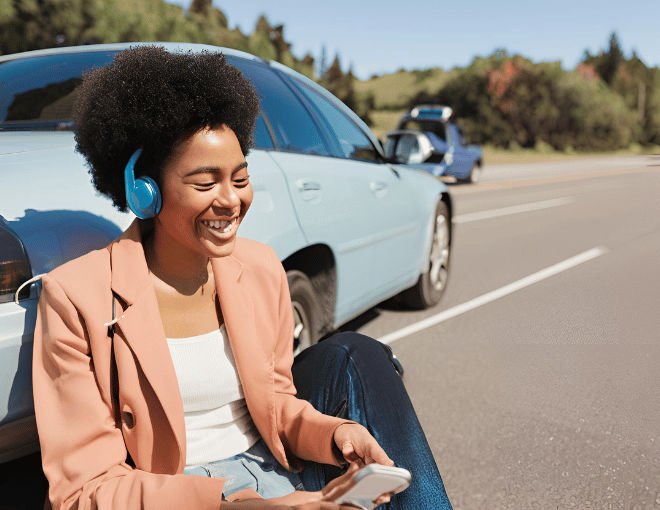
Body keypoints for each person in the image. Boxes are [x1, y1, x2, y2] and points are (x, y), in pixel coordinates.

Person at [32, 46, 453, 510]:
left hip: (272, 467)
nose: (231, 201)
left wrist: (336, 434)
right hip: (180, 495)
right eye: (205, 182)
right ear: (145, 190)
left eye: (239, 177)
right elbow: (85, 491)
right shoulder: (76, 297)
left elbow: (275, 401)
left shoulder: (260, 268)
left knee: (360, 355)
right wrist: (238, 505)